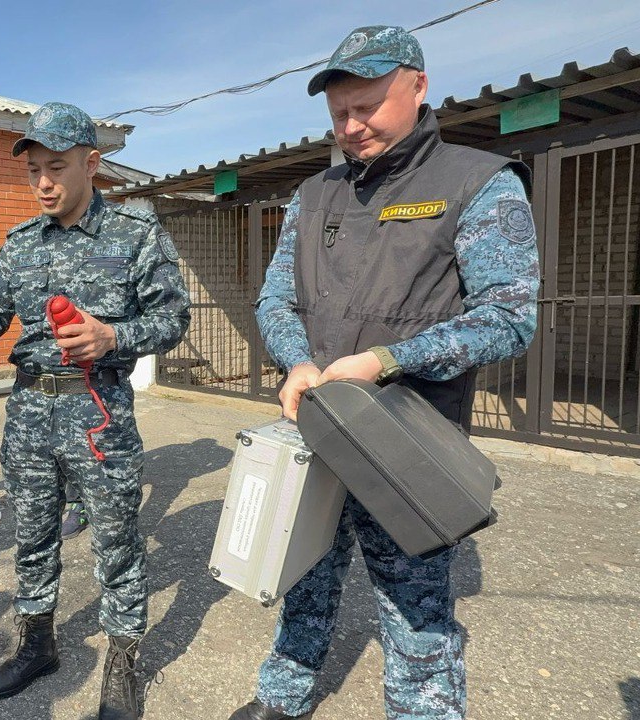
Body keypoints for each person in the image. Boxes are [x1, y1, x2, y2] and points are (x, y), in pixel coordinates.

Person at [241, 27, 539, 720]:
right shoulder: (313, 194)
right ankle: (283, 696)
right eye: (339, 113)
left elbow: (509, 317)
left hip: (408, 440)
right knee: (302, 571)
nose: (351, 126)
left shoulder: (477, 182)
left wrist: (386, 361)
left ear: (418, 86)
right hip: (318, 428)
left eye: (367, 106)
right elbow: (274, 298)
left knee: (415, 610)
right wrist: (299, 362)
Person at [0, 102, 191, 720]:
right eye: (33, 171)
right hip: (29, 411)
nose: (43, 183)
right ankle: (36, 643)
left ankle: (123, 661)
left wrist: (113, 336)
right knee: (32, 535)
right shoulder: (22, 242)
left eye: (56, 167)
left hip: (99, 412)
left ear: (91, 163)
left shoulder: (135, 233)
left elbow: (173, 317)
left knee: (116, 538)